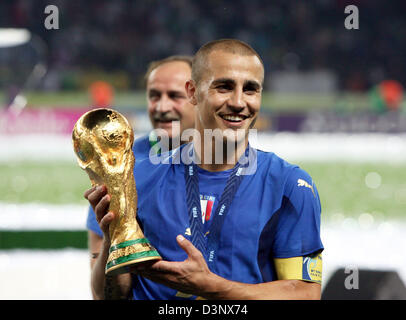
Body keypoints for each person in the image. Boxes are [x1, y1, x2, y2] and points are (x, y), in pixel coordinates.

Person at [85, 39, 323, 300]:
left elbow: (305, 294)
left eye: (251, 90)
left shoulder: (289, 186)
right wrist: (113, 239)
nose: (238, 102)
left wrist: (210, 286)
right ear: (193, 92)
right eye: (224, 87)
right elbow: (107, 298)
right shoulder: (138, 179)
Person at [86, 55, 195, 299]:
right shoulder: (118, 164)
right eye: (154, 95)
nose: (161, 107)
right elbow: (104, 296)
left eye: (175, 96)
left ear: (200, 98)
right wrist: (111, 237)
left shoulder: (229, 164)